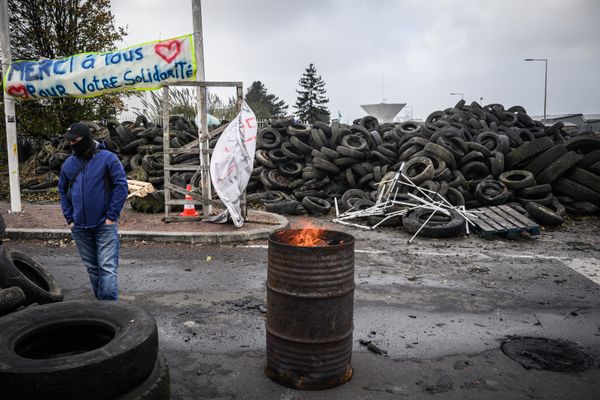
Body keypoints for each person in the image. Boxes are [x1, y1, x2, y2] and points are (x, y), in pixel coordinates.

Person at [58, 122, 128, 300]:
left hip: (104, 224)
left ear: (87, 139)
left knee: (107, 267)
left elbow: (121, 186)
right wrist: (70, 218)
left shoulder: (108, 158)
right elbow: (62, 190)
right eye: (69, 142)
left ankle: (108, 310)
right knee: (92, 268)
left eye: (75, 140)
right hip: (79, 226)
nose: (72, 144)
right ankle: (101, 306)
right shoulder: (68, 164)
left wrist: (111, 217)